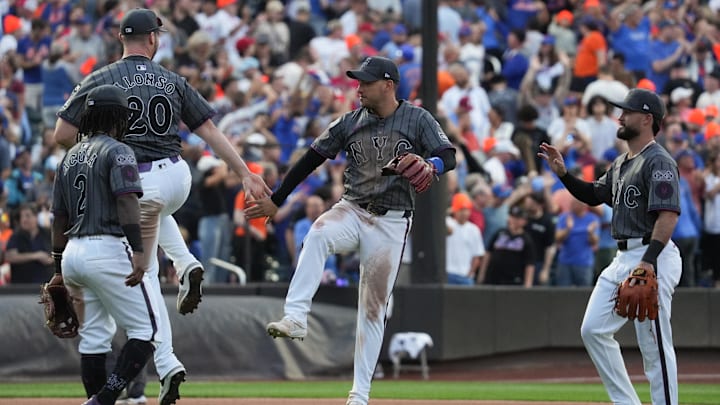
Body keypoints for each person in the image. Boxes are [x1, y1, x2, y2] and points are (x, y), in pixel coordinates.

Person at [52, 8, 271, 405]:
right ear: (154, 39)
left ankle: (167, 362)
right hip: (176, 176)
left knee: (146, 271)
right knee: (157, 209)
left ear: (121, 38)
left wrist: (96, 150)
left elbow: (61, 133)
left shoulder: (99, 78)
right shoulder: (172, 79)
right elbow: (207, 130)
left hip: (136, 183)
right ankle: (186, 262)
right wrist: (243, 172)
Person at [245, 56, 456, 405]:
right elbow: (311, 159)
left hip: (392, 221)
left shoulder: (417, 118)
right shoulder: (349, 121)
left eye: (366, 82)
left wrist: (431, 164)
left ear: (388, 85)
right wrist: (278, 199)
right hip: (353, 208)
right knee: (316, 234)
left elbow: (448, 155)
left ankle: (359, 396)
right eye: (358, 81)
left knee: (372, 309)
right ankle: (296, 316)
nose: (358, 88)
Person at [539, 88, 682, 405]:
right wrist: (564, 174)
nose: (620, 116)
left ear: (647, 119)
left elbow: (668, 216)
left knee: (653, 344)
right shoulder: (621, 163)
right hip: (622, 256)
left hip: (651, 254)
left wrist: (647, 263)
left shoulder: (659, 161)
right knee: (593, 330)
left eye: (627, 112)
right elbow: (593, 195)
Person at [51, 84, 158, 405]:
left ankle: (97, 398)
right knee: (146, 332)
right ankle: (105, 398)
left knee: (94, 337)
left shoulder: (68, 157)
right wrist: (139, 251)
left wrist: (58, 269)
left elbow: (58, 219)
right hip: (107, 248)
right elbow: (127, 202)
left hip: (73, 255)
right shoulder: (118, 150)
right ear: (118, 117)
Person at [5, 203, 54, 284]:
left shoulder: (47, 234)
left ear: (36, 217)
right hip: (22, 286)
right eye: (22, 217)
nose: (24, 219)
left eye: (27, 216)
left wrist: (51, 260)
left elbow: (58, 253)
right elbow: (10, 257)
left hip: (45, 284)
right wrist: (36, 256)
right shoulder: (16, 236)